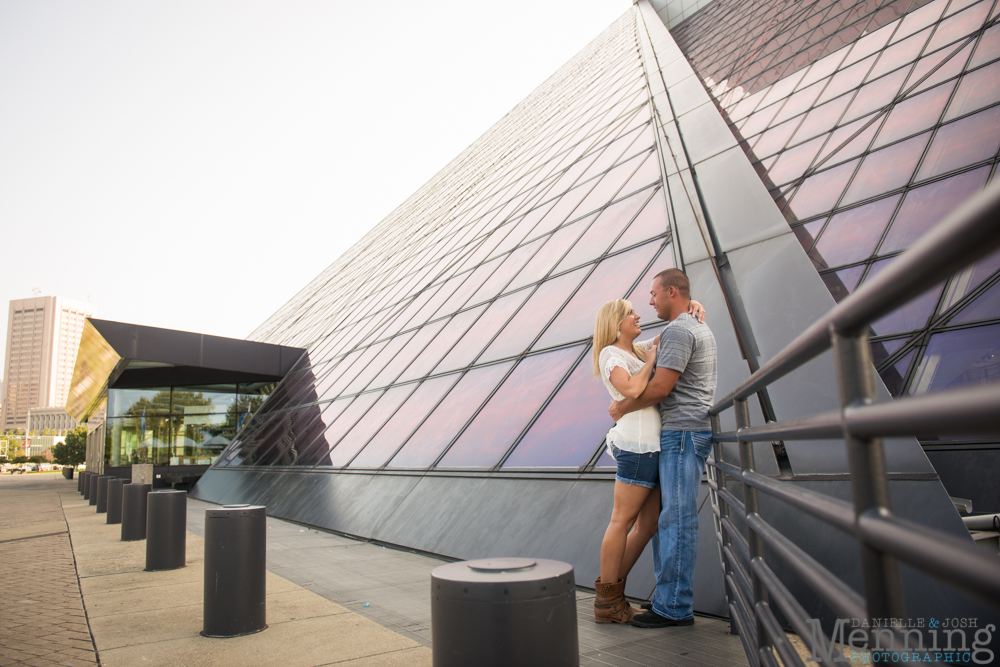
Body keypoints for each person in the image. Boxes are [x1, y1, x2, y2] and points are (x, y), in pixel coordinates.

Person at [609, 268, 717, 629]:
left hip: (683, 433)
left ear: (672, 292)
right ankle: (667, 599)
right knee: (666, 519)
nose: (649, 302)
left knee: (677, 519)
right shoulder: (689, 326)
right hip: (687, 432)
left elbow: (660, 389)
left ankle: (673, 606)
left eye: (654, 295)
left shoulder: (679, 330)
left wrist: (622, 408)